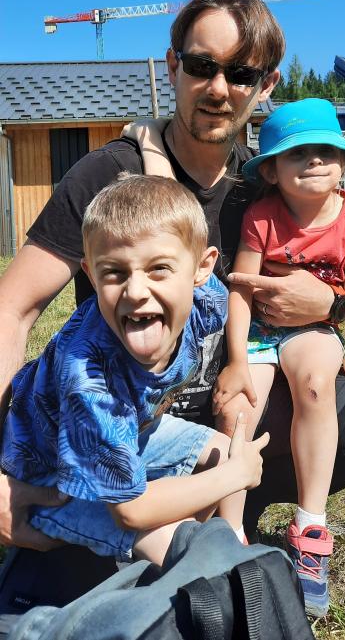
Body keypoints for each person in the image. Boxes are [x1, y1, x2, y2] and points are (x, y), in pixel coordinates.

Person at [0, 0, 345, 613]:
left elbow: (341, 265)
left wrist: (334, 308)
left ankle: (249, 506)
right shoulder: (111, 177)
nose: (219, 87)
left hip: (235, 398)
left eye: (241, 73)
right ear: (173, 66)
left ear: (266, 85)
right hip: (122, 421)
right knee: (58, 586)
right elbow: (11, 309)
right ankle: (130, 521)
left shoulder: (264, 189)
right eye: (202, 64)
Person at [1, 174, 268, 565]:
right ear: (90, 275)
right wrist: (235, 476)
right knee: (168, 538)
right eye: (114, 273)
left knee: (219, 452)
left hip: (131, 431)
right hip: (47, 475)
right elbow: (131, 510)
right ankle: (163, 563)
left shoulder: (207, 301)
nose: (136, 291)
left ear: (202, 269)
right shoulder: (89, 380)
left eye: (159, 268)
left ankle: (223, 540)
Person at [211, 99, 345, 616]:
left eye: (326, 151)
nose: (315, 161)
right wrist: (239, 359)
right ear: (271, 169)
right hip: (261, 328)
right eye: (298, 154)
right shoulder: (262, 216)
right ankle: (228, 533)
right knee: (238, 406)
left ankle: (311, 527)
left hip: (315, 325)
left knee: (315, 385)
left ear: (344, 161)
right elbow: (241, 288)